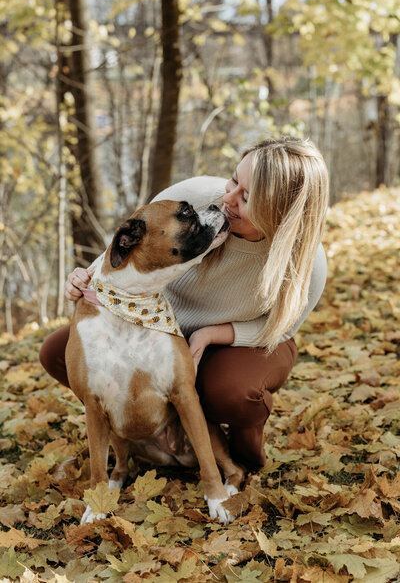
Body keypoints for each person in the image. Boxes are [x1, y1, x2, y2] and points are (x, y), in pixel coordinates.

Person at [40, 136, 329, 471]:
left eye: (246, 197)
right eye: (234, 180)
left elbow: (279, 328)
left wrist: (207, 336)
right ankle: (140, 432)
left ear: (281, 213)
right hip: (158, 325)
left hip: (250, 339)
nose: (228, 198)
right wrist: (84, 276)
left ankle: (242, 450)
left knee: (231, 391)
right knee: (58, 352)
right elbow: (129, 247)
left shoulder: (307, 261)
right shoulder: (192, 198)